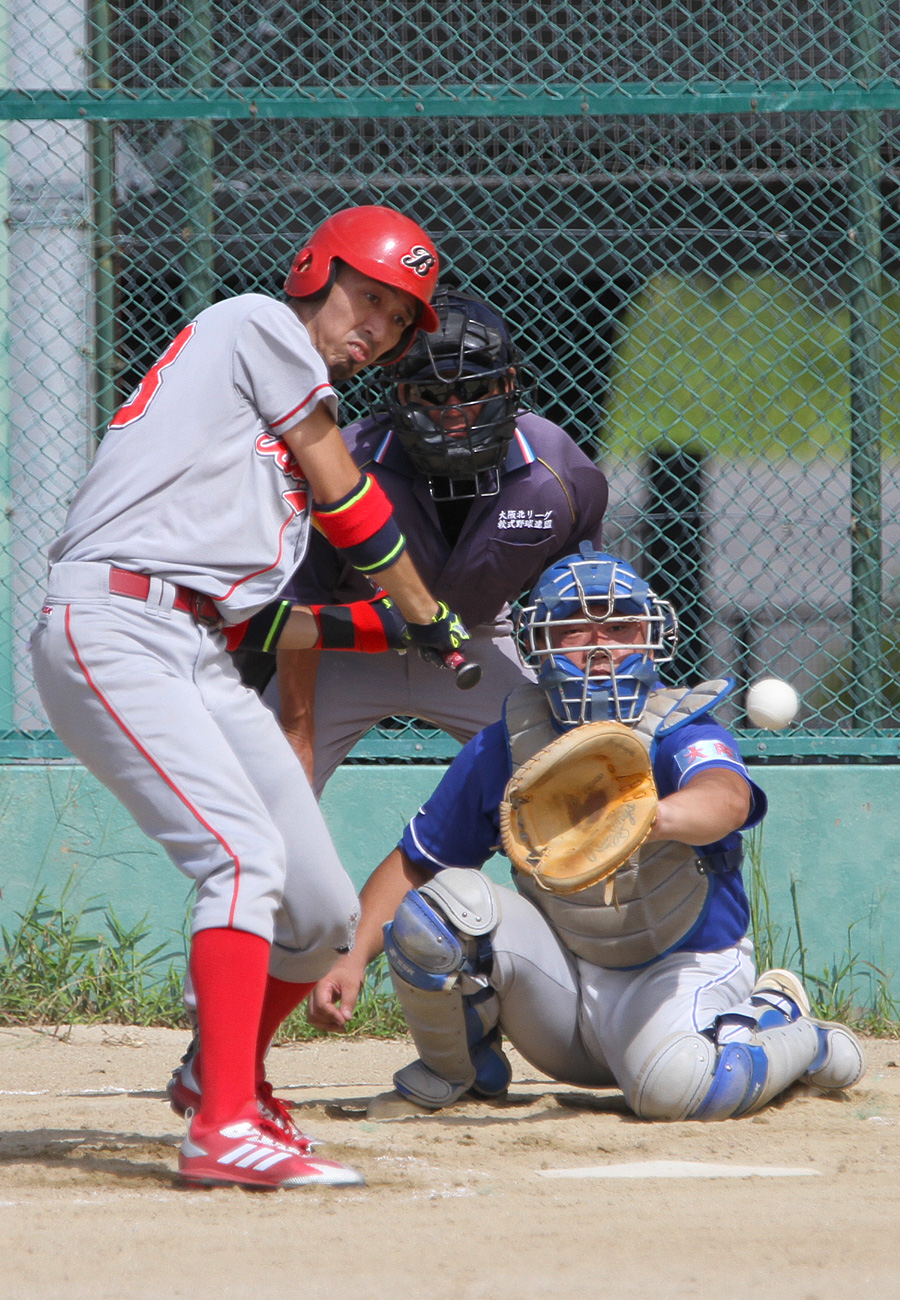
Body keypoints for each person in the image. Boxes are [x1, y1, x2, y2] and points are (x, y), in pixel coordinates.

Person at [29, 205, 472, 1189]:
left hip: (185, 641)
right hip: (113, 622)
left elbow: (259, 628)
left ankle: (213, 1075)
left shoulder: (249, 451)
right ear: (315, 271)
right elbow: (348, 494)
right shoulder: (257, 327)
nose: (380, 329)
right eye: (369, 297)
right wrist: (420, 602)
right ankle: (223, 1126)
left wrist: (414, 631)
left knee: (315, 913)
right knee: (240, 857)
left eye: (399, 320)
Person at [308, 547, 866, 1122]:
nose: (601, 649)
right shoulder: (509, 744)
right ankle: (461, 1073)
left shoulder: (678, 728)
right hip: (565, 989)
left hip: (681, 970)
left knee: (675, 1089)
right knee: (438, 908)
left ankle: (791, 1026)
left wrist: (647, 818)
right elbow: (418, 861)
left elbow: (728, 799)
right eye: (575, 629)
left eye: (622, 627)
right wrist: (348, 961)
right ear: (537, 645)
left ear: (652, 637)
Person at [268, 288, 609, 794]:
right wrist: (297, 730)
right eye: (430, 393)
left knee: (571, 785)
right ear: (398, 395)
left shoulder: (558, 474)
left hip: (475, 639)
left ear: (509, 384)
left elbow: (569, 603)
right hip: (345, 645)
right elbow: (304, 600)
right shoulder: (345, 466)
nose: (453, 410)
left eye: (472, 390)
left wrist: (578, 704)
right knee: (267, 795)